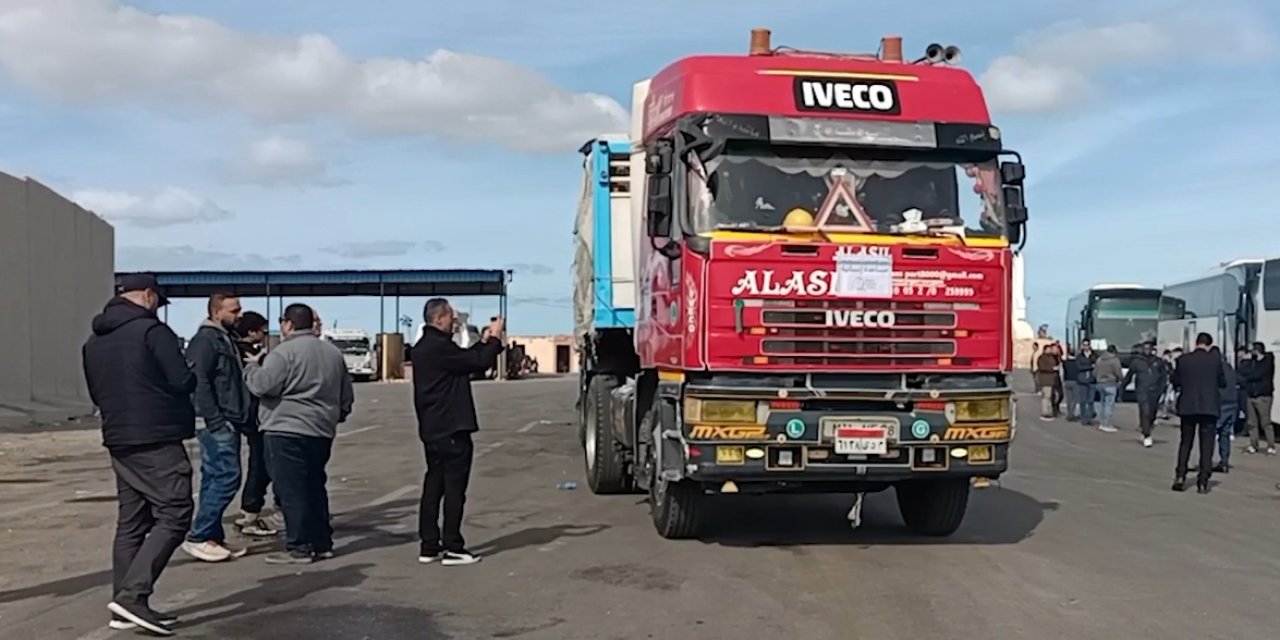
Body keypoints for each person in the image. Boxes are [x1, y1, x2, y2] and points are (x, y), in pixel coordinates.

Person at [82, 273, 195, 635]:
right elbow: (182, 381)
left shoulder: (93, 341)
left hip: (118, 435)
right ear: (148, 296)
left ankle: (125, 605)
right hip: (157, 435)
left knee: (132, 522)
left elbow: (96, 393)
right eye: (157, 302)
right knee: (175, 512)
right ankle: (133, 595)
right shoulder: (153, 333)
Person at [244, 304, 354, 564]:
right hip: (320, 430)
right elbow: (346, 396)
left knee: (291, 490)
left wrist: (251, 367)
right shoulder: (332, 354)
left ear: (288, 324)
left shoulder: (282, 353)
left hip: (285, 429)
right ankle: (322, 542)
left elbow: (263, 385)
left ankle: (299, 547)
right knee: (315, 486)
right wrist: (336, 415)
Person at [411, 299, 505, 566]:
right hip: (451, 428)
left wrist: (484, 341)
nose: (454, 323)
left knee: (434, 486)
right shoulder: (438, 348)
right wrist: (495, 340)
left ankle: (429, 544)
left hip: (432, 429)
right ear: (439, 318)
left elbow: (466, 360)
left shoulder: (425, 348)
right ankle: (453, 545)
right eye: (451, 318)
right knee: (454, 489)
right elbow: (477, 363)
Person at [181, 293, 251, 562]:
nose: (240, 314)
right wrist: (215, 420)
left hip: (226, 418)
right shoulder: (206, 341)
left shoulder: (224, 338)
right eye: (234, 310)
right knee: (226, 477)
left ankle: (211, 537)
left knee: (214, 477)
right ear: (216, 312)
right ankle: (199, 536)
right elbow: (198, 381)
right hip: (217, 421)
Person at [231, 311, 282, 537]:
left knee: (259, 464)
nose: (264, 335)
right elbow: (265, 383)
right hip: (257, 416)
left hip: (248, 416)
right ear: (252, 332)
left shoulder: (231, 348)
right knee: (262, 465)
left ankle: (250, 511)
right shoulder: (249, 353)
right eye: (262, 330)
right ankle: (250, 511)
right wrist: (261, 361)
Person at [1170, 332, 1226, 494]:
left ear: (1196, 343)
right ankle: (1203, 481)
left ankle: (1180, 476)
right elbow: (1222, 382)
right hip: (1209, 407)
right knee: (1206, 444)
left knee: (1185, 442)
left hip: (1187, 406)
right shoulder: (1215, 361)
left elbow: (1176, 381)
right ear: (1209, 345)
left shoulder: (1183, 360)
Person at [1123, 342, 1168, 448]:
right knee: (1145, 412)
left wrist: (1162, 389)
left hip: (1155, 391)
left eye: (1149, 348)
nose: (1147, 350)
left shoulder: (1158, 362)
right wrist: (1122, 388)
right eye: (1145, 348)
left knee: (1152, 413)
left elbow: (1164, 377)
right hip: (1142, 391)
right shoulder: (1137, 362)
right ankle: (1147, 435)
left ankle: (1147, 428)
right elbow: (1129, 376)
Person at [1239, 341, 1276, 455]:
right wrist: (1244, 361)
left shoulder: (1267, 362)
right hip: (1251, 395)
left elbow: (1257, 375)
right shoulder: (1251, 362)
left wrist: (1247, 377)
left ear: (1257, 351)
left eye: (1252, 351)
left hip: (1263, 396)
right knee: (1252, 422)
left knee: (1265, 422)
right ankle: (1253, 444)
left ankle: (1271, 445)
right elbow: (1241, 372)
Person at [1212, 346, 1239, 472]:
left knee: (1211, 433)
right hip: (1232, 403)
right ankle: (1224, 461)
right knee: (1225, 433)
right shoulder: (1229, 367)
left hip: (1220, 403)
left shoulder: (1215, 368)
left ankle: (1206, 461)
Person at [1093, 345, 1123, 433]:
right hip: (1110, 384)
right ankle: (1107, 424)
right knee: (1109, 405)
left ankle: (1102, 423)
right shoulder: (1115, 360)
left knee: (1102, 404)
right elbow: (1118, 372)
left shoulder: (1099, 360)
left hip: (1100, 384)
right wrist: (1121, 380)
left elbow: (1094, 372)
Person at [1034, 344, 1061, 420]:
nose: (1050, 351)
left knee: (1050, 396)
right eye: (1049, 349)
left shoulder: (1051, 357)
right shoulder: (1042, 358)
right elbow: (1042, 367)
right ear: (1045, 350)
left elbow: (1058, 361)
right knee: (1046, 396)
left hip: (1051, 380)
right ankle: (1044, 412)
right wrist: (1053, 368)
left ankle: (1048, 411)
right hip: (1045, 380)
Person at [1076, 341, 1098, 425]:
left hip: (1092, 380)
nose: (1086, 347)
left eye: (1087, 345)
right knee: (1083, 400)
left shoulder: (1094, 355)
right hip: (1082, 381)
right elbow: (1078, 367)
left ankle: (1089, 418)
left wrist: (1090, 366)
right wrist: (1090, 366)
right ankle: (1083, 418)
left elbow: (1097, 365)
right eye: (1084, 345)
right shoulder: (1079, 356)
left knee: (1091, 400)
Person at [1062, 346, 1081, 422]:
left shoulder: (1065, 362)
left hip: (1067, 381)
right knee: (1075, 399)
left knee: (1069, 399)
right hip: (1075, 381)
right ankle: (1071, 414)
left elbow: (1062, 372)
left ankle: (1069, 414)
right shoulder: (1077, 363)